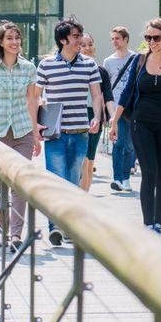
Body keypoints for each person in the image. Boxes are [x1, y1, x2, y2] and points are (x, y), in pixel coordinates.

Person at [109, 18, 161, 235]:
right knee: (149, 172)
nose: (152, 42)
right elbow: (126, 93)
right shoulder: (140, 60)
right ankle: (147, 223)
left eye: (156, 37)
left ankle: (158, 224)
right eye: (148, 37)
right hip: (141, 122)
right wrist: (114, 121)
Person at [36, 16, 103, 246]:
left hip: (81, 131)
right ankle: (55, 227)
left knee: (73, 181)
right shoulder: (46, 65)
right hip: (55, 134)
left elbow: (96, 94)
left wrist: (97, 116)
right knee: (56, 180)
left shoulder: (89, 64)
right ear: (63, 40)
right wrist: (36, 125)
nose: (80, 40)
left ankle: (70, 227)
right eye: (75, 37)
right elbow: (35, 96)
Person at [0, 22, 40, 253]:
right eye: (9, 38)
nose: (14, 42)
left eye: (17, 38)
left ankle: (16, 234)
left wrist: (35, 134)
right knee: (1, 187)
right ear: (1, 42)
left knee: (20, 184)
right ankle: (3, 232)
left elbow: (32, 102)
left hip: (22, 131)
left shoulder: (29, 67)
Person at [79, 33, 115, 192]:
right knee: (83, 160)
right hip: (77, 116)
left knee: (90, 160)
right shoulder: (74, 68)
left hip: (95, 116)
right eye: (83, 45)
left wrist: (113, 118)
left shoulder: (101, 71)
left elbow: (108, 96)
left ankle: (84, 198)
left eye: (90, 44)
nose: (87, 48)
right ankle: (80, 198)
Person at [103, 26, 137, 192]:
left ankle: (126, 178)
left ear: (125, 40)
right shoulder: (108, 62)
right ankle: (117, 179)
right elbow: (107, 88)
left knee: (129, 145)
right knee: (118, 144)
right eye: (113, 38)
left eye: (117, 38)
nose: (114, 42)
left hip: (132, 108)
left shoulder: (136, 58)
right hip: (116, 109)